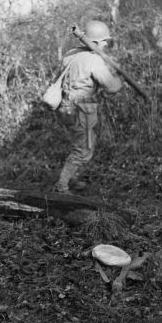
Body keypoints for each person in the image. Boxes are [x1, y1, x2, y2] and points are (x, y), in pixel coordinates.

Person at [53, 20, 123, 194]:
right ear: (96, 42)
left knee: (81, 143)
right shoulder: (94, 60)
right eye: (104, 40)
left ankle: (72, 177)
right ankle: (62, 186)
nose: (106, 43)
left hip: (66, 105)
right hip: (83, 107)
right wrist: (120, 78)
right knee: (84, 149)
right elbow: (112, 87)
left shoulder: (70, 54)